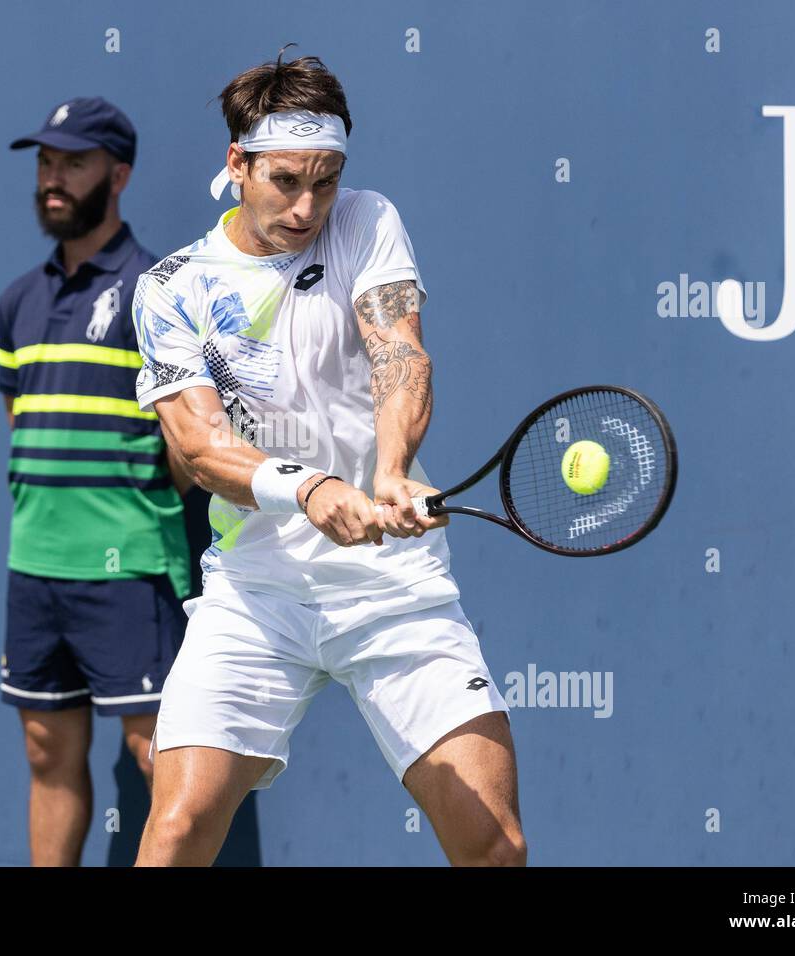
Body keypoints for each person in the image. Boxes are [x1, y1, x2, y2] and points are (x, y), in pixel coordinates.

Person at [129, 50, 526, 866]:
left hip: (393, 590)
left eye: (326, 180)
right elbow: (199, 446)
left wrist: (389, 468)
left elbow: (400, 355)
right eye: (285, 181)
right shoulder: (171, 287)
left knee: (494, 845)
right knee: (174, 836)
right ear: (237, 163)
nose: (309, 206)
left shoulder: (368, 221)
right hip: (256, 594)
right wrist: (307, 488)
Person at [0, 96, 196, 866]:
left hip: (130, 567)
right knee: (47, 751)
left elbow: (187, 442)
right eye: (46, 163)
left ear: (118, 175)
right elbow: (21, 420)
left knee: (161, 757)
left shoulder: (157, 292)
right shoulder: (17, 300)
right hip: (35, 567)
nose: (53, 178)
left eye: (72, 163)